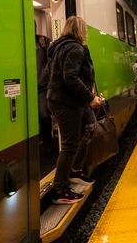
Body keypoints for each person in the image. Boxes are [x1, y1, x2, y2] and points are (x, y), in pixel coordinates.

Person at [46, 15, 104, 204]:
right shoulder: (75, 48)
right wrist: (90, 97)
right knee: (70, 144)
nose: (86, 32)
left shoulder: (60, 47)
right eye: (84, 29)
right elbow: (69, 77)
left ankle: (74, 170)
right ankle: (59, 190)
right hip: (66, 102)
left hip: (70, 100)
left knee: (89, 128)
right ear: (79, 30)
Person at [35, 29, 53, 152]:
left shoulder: (43, 41)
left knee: (44, 115)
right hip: (27, 88)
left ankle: (48, 144)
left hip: (41, 87)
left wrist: (43, 79)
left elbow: (49, 62)